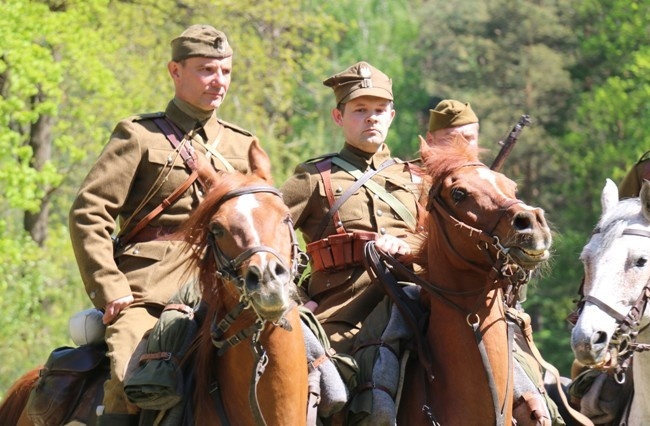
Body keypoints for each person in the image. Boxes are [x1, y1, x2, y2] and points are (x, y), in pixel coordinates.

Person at [69, 24, 257, 425]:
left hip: (226, 289)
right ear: (176, 71)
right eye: (207, 70)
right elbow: (90, 212)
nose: (218, 81)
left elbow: (265, 224)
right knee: (127, 377)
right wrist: (110, 287)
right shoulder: (138, 135)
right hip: (150, 287)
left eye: (225, 71)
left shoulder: (244, 146)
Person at [280, 61, 423, 356]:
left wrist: (408, 245)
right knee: (321, 384)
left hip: (417, 301)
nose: (371, 118)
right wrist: (295, 299)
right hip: (343, 316)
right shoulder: (313, 177)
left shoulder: (417, 178)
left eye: (379, 110)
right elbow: (264, 237)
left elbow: (444, 238)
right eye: (360, 110)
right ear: (338, 116)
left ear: (391, 116)